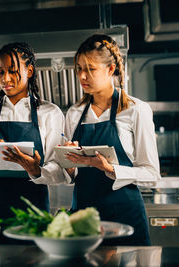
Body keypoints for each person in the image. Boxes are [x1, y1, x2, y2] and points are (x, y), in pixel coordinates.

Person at [62, 34, 161, 245]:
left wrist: (111, 169)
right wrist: (69, 165)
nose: (82, 76)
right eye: (79, 68)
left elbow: (152, 175)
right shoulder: (74, 113)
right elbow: (72, 176)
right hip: (83, 217)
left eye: (90, 69)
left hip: (125, 214)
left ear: (110, 69)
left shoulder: (136, 110)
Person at [0, 42, 65, 243]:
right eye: (0, 72)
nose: (6, 79)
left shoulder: (50, 113)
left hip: (33, 211)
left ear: (29, 71)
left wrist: (36, 170)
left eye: (12, 71)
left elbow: (60, 170)